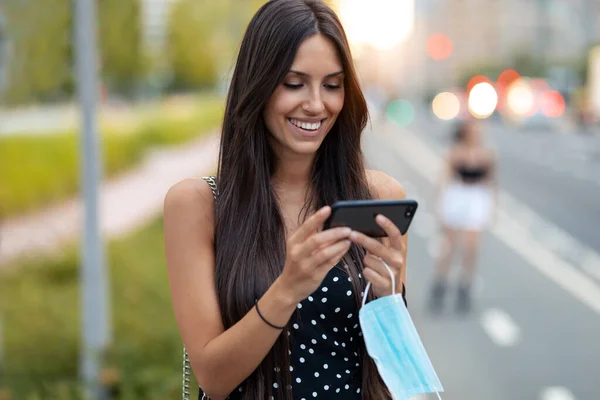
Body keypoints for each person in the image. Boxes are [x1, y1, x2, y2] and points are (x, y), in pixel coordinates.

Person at [163, 1, 409, 399]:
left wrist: (391, 301)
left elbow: (392, 372)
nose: (316, 104)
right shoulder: (198, 204)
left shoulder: (377, 196)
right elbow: (213, 377)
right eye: (294, 83)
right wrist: (288, 288)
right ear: (258, 86)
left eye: (332, 85)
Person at [429, 119, 498, 313]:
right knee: (449, 245)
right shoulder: (455, 151)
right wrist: (440, 205)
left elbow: (492, 181)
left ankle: (464, 286)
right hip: (457, 195)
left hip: (477, 198)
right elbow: (445, 178)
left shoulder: (488, 153)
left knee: (471, 247)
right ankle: (440, 284)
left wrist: (492, 208)